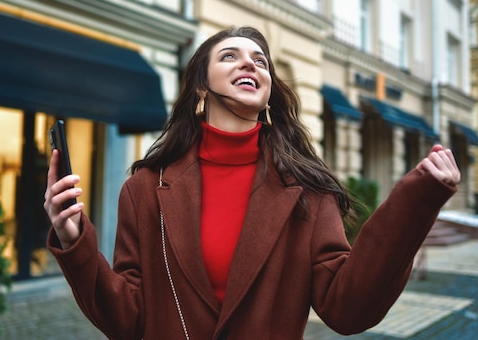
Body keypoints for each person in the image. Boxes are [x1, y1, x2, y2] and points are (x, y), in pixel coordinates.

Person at [43, 26, 460, 339]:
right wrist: (73, 237)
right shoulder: (146, 188)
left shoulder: (309, 193)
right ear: (202, 88)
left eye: (260, 61)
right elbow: (126, 317)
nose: (249, 64)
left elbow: (348, 309)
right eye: (230, 56)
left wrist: (416, 201)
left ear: (266, 91)